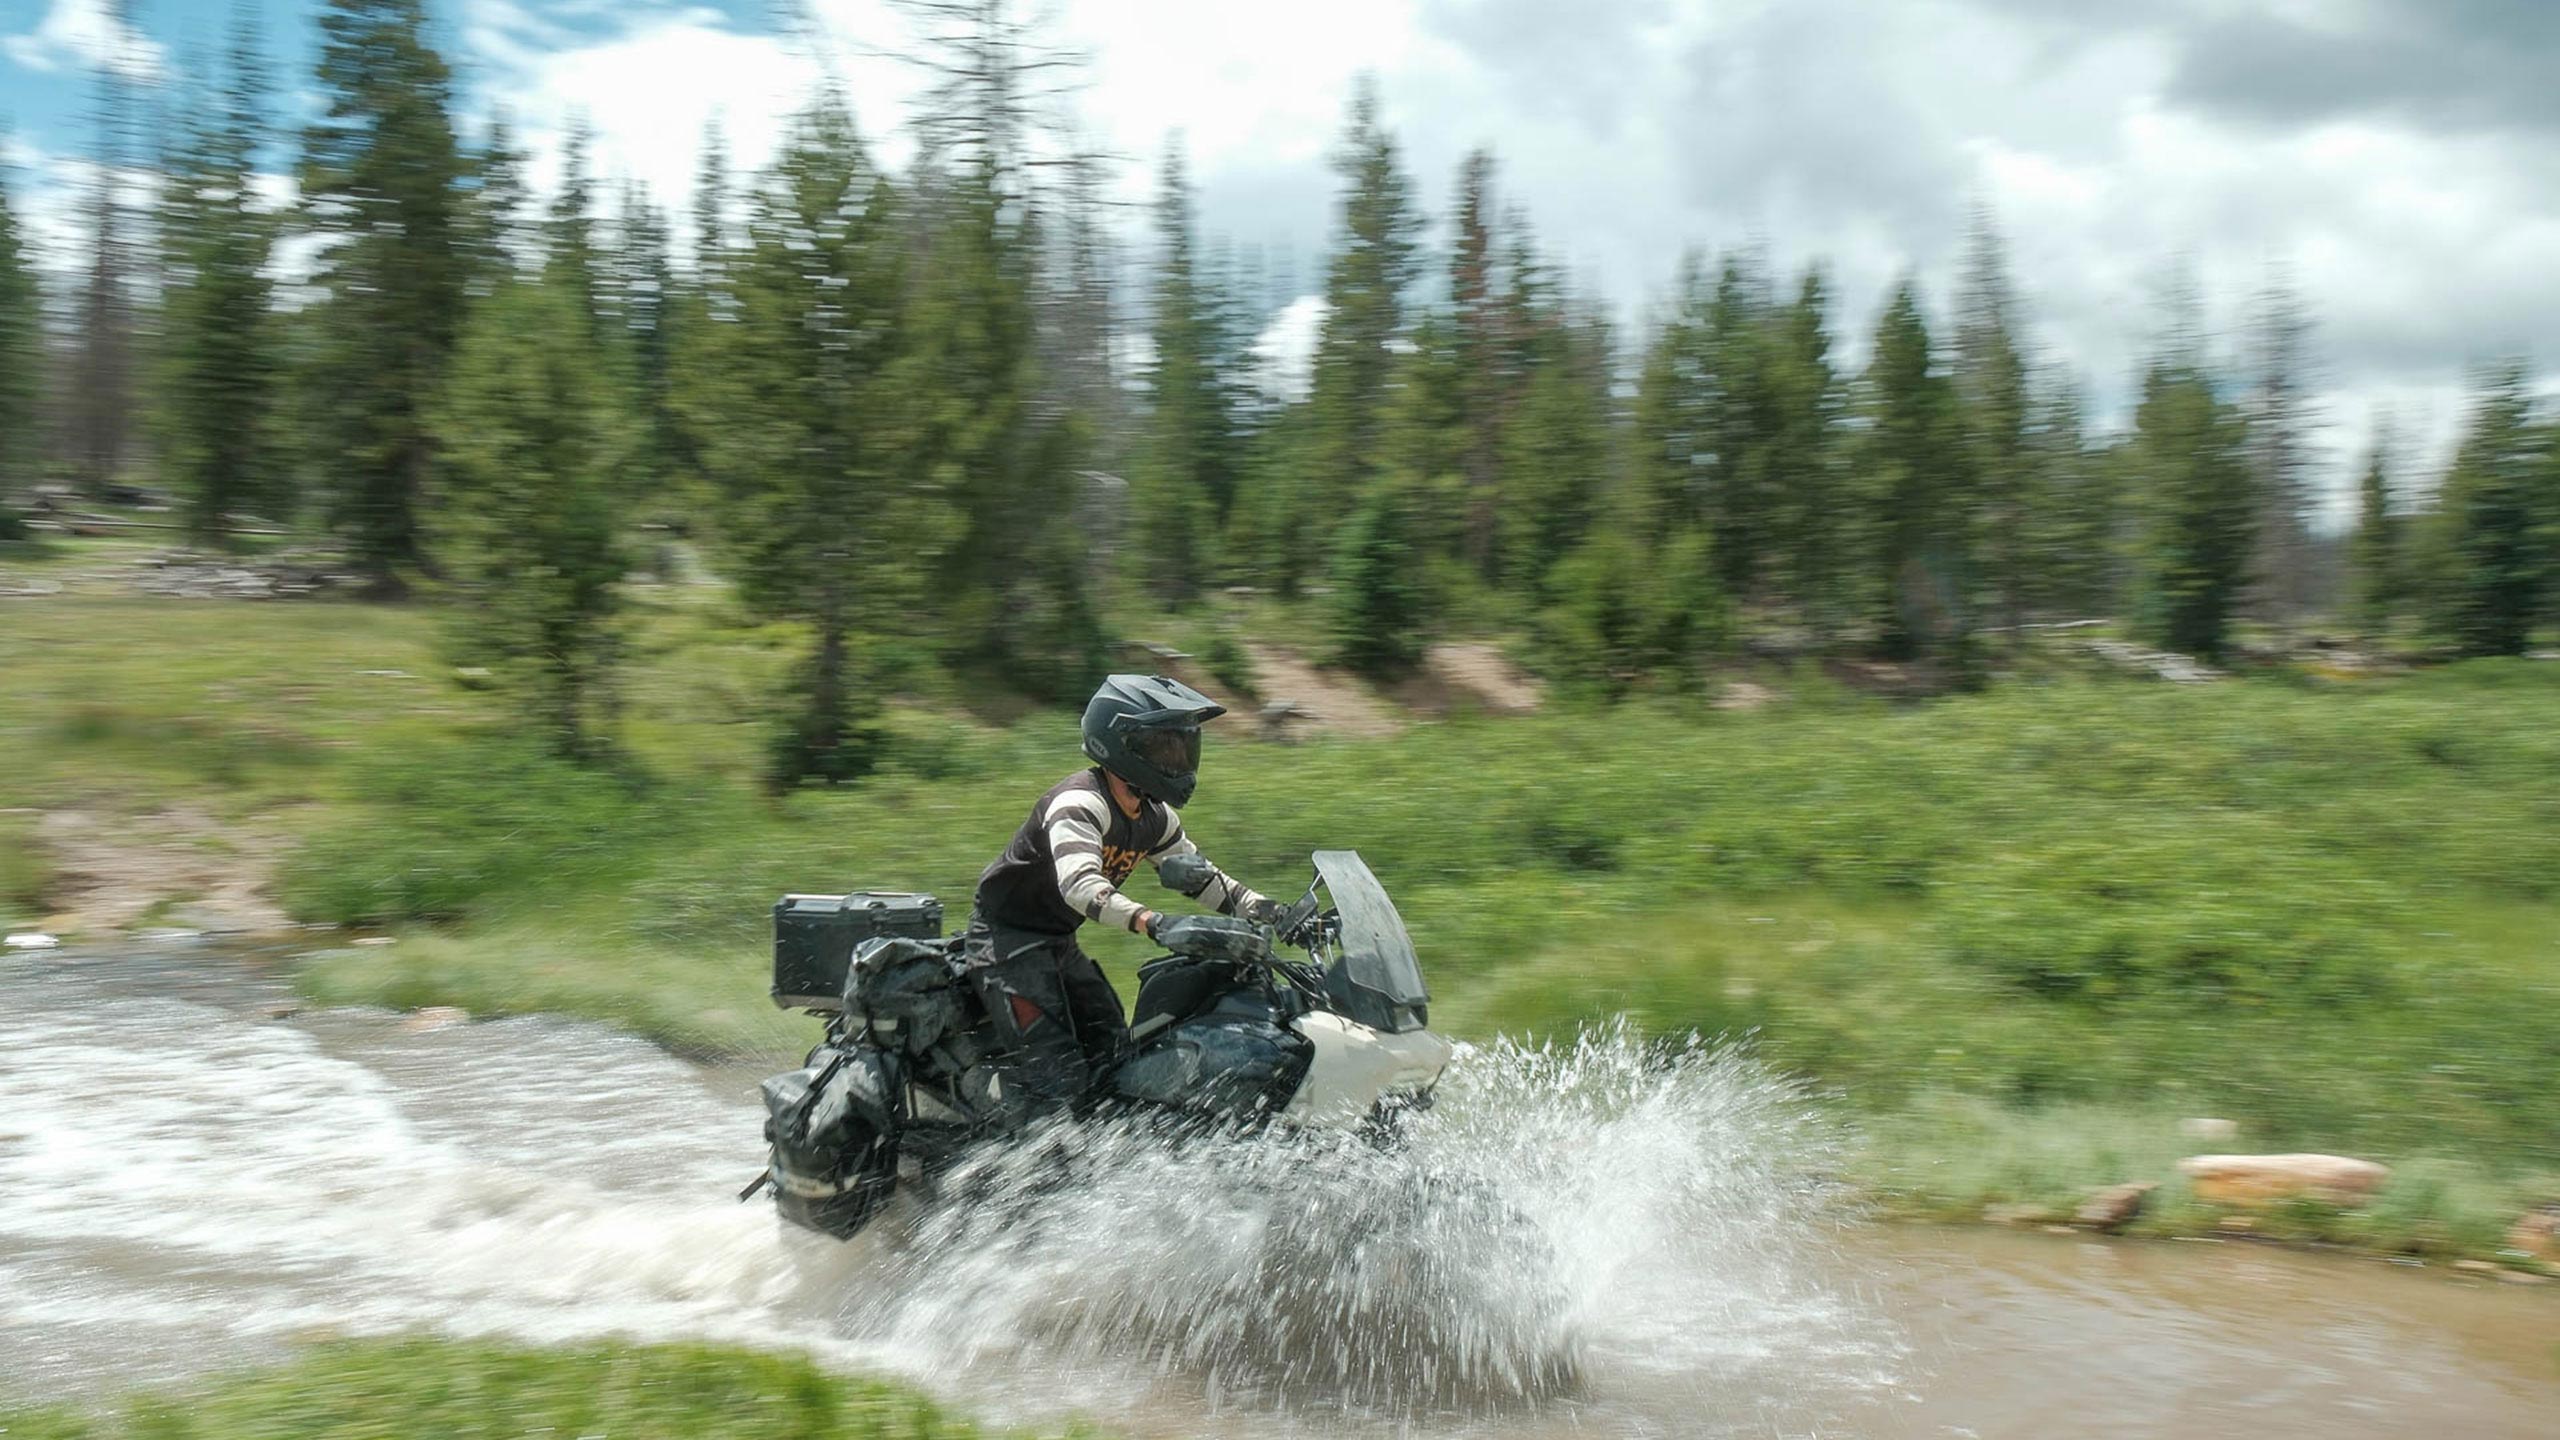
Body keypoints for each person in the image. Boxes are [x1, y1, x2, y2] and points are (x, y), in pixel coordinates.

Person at [963, 673, 1276, 1113]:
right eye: (1164, 746)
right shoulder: (1079, 804)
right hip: (1006, 944)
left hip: (1056, 943)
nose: (1179, 758)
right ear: (1121, 743)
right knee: (1056, 1073)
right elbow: (1080, 887)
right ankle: (1026, 1163)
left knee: (1113, 1048)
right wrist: (1153, 922)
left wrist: (1272, 912)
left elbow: (1204, 879)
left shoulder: (1153, 816)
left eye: (1183, 745)